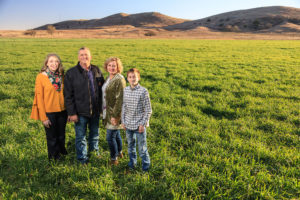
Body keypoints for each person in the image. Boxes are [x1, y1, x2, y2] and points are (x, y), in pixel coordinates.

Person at [64, 47, 104, 164]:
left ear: (90, 57)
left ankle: (94, 154)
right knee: (81, 137)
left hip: (95, 111)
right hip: (80, 112)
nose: (84, 57)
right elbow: (68, 95)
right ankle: (82, 159)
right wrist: (72, 113)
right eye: (81, 55)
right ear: (78, 57)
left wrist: (102, 108)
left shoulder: (96, 70)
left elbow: (101, 90)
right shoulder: (71, 73)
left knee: (95, 135)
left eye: (86, 55)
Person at [30, 53, 68, 161]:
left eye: (56, 61)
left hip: (62, 111)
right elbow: (39, 98)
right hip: (49, 112)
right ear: (46, 63)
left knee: (61, 134)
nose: (54, 64)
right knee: (52, 137)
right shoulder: (41, 77)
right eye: (51, 61)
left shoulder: (62, 75)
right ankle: (53, 158)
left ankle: (61, 151)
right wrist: (43, 117)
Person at [121, 68, 152, 172]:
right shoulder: (125, 90)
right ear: (127, 79)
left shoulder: (143, 91)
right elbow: (123, 107)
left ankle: (145, 168)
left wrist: (142, 124)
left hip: (139, 125)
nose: (132, 78)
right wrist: (123, 122)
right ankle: (132, 165)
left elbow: (148, 110)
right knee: (130, 147)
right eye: (130, 77)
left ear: (139, 77)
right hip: (128, 124)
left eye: (134, 76)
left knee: (142, 148)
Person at [102, 57, 126, 165]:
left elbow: (120, 99)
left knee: (110, 137)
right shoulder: (109, 78)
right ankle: (120, 152)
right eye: (110, 65)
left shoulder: (119, 79)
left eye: (114, 65)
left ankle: (114, 158)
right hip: (107, 111)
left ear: (118, 67)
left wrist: (115, 116)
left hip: (114, 113)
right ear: (106, 66)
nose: (112, 67)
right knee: (116, 135)